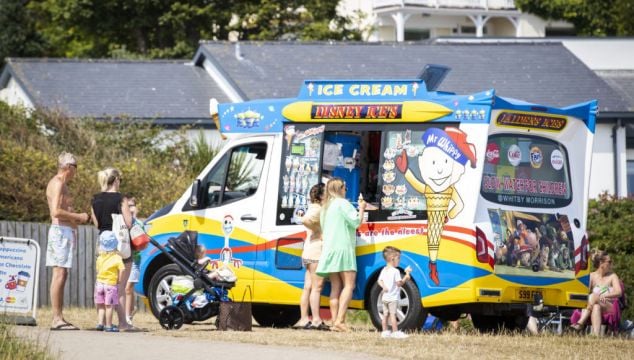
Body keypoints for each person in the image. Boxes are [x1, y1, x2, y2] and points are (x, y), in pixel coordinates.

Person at [46, 151, 90, 330]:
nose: (76, 172)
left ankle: (59, 316)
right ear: (69, 168)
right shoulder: (57, 183)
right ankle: (56, 318)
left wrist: (73, 225)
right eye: (76, 167)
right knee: (59, 274)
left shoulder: (62, 184)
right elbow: (55, 212)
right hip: (59, 232)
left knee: (63, 274)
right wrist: (78, 216)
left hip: (64, 231)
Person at [316, 178, 367, 332]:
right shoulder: (343, 204)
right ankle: (340, 320)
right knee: (349, 285)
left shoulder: (326, 207)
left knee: (335, 286)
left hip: (330, 249)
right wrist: (362, 208)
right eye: (344, 187)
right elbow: (356, 222)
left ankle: (334, 321)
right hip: (343, 248)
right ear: (340, 189)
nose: (346, 189)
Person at [90, 167, 135, 331]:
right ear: (116, 180)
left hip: (102, 246)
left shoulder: (95, 199)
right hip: (120, 246)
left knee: (103, 284)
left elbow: (97, 224)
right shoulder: (120, 199)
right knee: (119, 287)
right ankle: (123, 322)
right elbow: (129, 223)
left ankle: (102, 321)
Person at [297, 183, 328, 330]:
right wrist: (319, 231)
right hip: (316, 253)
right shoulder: (318, 209)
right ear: (321, 196)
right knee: (317, 287)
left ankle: (304, 319)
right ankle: (316, 319)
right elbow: (304, 220)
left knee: (308, 287)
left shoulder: (312, 207)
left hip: (308, 251)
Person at [570, 250, 622, 336]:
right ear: (601, 263)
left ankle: (580, 323)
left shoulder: (612, 276)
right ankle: (595, 335)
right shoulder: (592, 276)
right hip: (595, 305)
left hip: (609, 305)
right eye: (609, 261)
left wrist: (604, 295)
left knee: (594, 296)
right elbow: (585, 292)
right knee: (596, 306)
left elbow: (619, 292)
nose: (611, 264)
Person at [378, 246, 412, 339]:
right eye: (398, 258)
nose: (399, 260)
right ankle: (395, 332)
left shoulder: (384, 270)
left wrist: (384, 287)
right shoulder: (396, 271)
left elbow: (379, 281)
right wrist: (406, 276)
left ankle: (384, 332)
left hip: (384, 298)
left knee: (385, 315)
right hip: (392, 298)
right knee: (393, 315)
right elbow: (399, 284)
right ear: (392, 258)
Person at [94, 230, 125, 332]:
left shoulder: (100, 257)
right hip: (110, 285)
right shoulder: (117, 258)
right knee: (109, 306)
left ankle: (100, 323)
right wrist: (119, 280)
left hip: (99, 284)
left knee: (101, 305)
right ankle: (108, 325)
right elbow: (122, 269)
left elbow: (98, 269)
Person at [124, 196, 141, 326]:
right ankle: (130, 308)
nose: (130, 208)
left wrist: (134, 216)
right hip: (124, 259)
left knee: (128, 288)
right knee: (125, 288)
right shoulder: (122, 223)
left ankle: (127, 316)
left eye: (132, 205)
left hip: (135, 260)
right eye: (127, 206)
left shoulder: (139, 223)